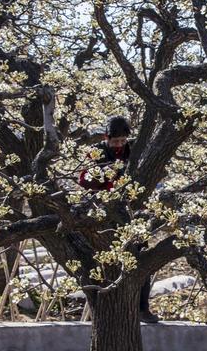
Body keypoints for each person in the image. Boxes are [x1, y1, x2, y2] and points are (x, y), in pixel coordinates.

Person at [78, 116, 159, 324]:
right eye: (116, 141)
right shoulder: (97, 152)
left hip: (133, 212)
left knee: (140, 260)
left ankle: (142, 307)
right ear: (107, 137)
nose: (119, 145)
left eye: (123, 141)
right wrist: (107, 176)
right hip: (106, 214)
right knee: (107, 263)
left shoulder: (135, 150)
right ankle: (108, 309)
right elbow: (84, 180)